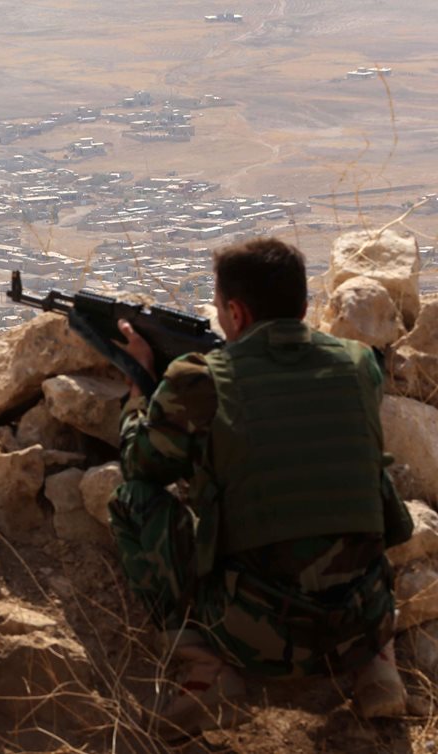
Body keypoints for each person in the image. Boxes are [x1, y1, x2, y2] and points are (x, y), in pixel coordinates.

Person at [109, 237, 413, 738]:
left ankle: (207, 670)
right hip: (362, 619)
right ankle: (378, 663)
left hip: (256, 639)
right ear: (306, 305)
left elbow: (141, 466)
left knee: (131, 503)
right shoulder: (360, 365)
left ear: (235, 311)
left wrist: (142, 390)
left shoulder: (200, 379)